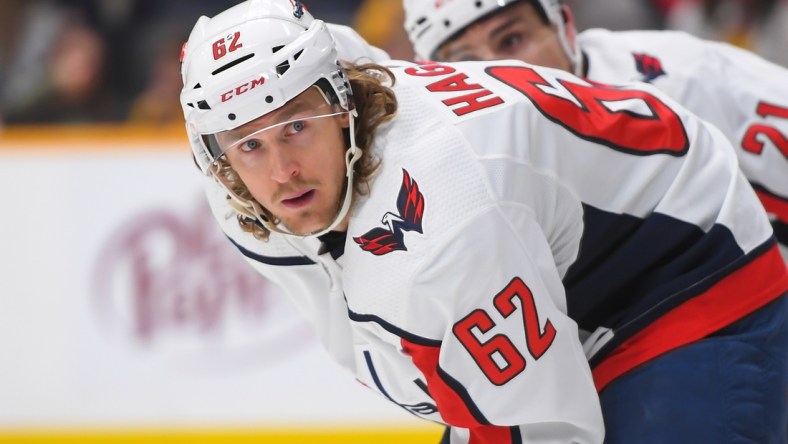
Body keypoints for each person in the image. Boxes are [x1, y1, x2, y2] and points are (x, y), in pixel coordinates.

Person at [180, 1, 787, 442]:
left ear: (343, 108)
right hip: (549, 280)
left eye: (295, 128)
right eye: (250, 145)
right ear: (214, 154)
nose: (282, 171)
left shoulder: (447, 220)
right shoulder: (240, 176)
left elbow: (549, 425)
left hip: (685, 270)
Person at [402, 0, 788, 266]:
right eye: (466, 62)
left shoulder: (683, 84)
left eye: (511, 40)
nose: (497, 70)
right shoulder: (456, 167)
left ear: (564, 27)